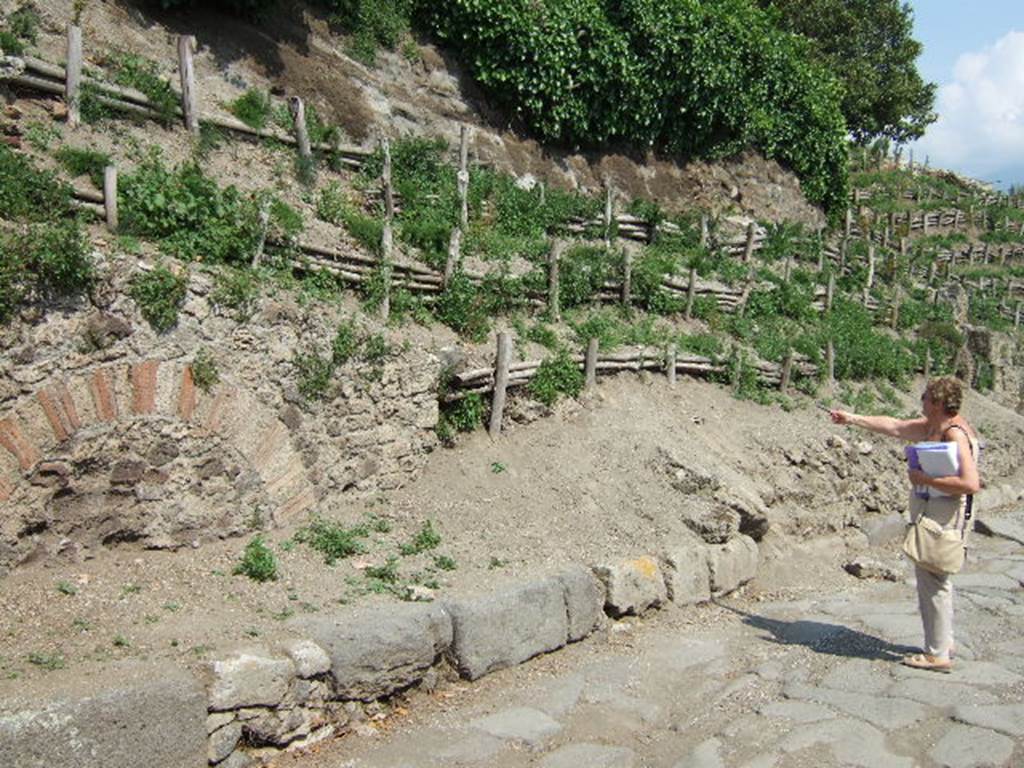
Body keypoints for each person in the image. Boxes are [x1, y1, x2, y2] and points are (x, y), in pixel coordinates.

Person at [829, 376, 980, 672]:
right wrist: (852, 419)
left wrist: (924, 479)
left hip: (945, 512)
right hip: (936, 509)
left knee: (933, 579)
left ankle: (936, 654)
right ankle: (943, 642)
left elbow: (970, 482)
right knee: (935, 578)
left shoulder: (954, 434)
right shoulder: (933, 426)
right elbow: (894, 426)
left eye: (924, 397)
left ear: (936, 403)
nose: (920, 400)